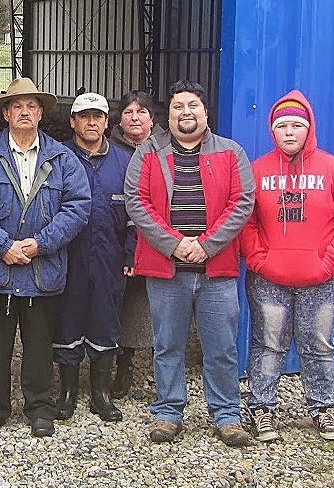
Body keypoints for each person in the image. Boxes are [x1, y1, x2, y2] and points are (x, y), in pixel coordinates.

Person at [124, 80, 255, 447]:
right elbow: (136, 202)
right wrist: (175, 244)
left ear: (205, 112)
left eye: (193, 105)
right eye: (178, 105)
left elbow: (242, 202)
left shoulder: (231, 153)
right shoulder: (148, 153)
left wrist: (208, 245)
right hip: (168, 270)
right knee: (167, 345)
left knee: (222, 347)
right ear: (169, 113)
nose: (186, 112)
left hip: (217, 270)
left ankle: (227, 415)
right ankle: (168, 413)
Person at [0, 78, 91, 438]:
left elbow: (78, 206)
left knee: (38, 345)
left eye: (31, 106)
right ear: (6, 113)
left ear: (40, 114)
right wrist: (5, 246)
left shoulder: (62, 159)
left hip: (42, 270)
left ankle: (40, 408)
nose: (25, 112)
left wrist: (40, 243)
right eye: (17, 106)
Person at [241, 91, 334, 442]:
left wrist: (329, 262)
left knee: (319, 344)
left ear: (309, 128)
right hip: (269, 280)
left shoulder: (333, 170)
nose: (290, 132)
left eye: (297, 125)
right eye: (282, 125)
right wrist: (260, 260)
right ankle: (262, 408)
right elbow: (245, 223)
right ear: (272, 131)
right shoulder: (257, 171)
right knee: (267, 344)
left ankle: (323, 409)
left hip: (325, 280)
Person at [54, 92, 133, 423]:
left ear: (106, 122)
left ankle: (100, 395)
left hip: (109, 257)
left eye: (97, 117)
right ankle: (67, 393)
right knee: (66, 320)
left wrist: (130, 252)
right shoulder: (57, 157)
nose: (91, 122)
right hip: (67, 256)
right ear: (73, 121)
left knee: (105, 320)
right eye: (84, 116)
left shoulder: (124, 162)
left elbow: (136, 214)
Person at [109, 92, 161, 399]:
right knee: (125, 304)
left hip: (160, 238)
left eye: (141, 111)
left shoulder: (166, 149)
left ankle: (163, 368)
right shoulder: (111, 150)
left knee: (160, 304)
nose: (135, 117)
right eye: (128, 111)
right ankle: (123, 364)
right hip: (120, 240)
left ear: (152, 118)